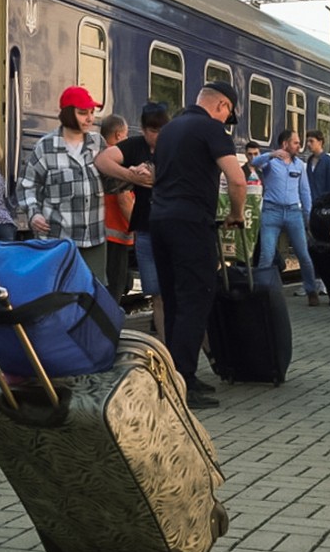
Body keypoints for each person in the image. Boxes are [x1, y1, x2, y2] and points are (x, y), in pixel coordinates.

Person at [149, 82, 245, 407]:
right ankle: (183, 385)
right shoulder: (211, 129)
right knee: (195, 300)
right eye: (228, 113)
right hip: (191, 224)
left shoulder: (170, 129)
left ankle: (179, 376)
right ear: (221, 106)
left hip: (159, 223)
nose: (225, 120)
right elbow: (236, 178)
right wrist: (236, 213)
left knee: (175, 301)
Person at [19, 86, 107, 286]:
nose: (89, 118)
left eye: (92, 112)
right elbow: (26, 185)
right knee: (59, 294)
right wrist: (34, 213)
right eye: (82, 112)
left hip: (93, 239)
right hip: (58, 241)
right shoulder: (45, 147)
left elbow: (111, 181)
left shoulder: (97, 143)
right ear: (67, 114)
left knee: (92, 295)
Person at [97, 102, 164, 333]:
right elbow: (104, 164)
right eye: (152, 130)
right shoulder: (132, 148)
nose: (156, 136)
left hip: (159, 228)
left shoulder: (174, 148)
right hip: (133, 229)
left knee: (165, 292)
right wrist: (131, 175)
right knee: (150, 292)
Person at [252, 129, 320, 307]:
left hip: (293, 212)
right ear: (285, 144)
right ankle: (260, 294)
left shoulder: (299, 166)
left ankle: (311, 291)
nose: (299, 146)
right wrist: (271, 154)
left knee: (303, 254)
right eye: (296, 143)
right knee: (266, 255)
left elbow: (305, 192)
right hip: (271, 211)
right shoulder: (271, 162)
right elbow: (255, 162)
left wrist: (308, 217)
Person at [99, 113, 135, 302]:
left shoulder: (99, 156)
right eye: (126, 135)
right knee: (114, 289)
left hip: (99, 232)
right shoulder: (118, 159)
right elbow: (124, 200)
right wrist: (137, 226)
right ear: (119, 135)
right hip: (117, 234)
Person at [305, 130, 330, 197]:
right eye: (307, 141)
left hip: (322, 202)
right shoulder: (309, 160)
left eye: (311, 141)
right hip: (310, 202)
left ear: (320, 142)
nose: (308, 144)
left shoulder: (329, 162)